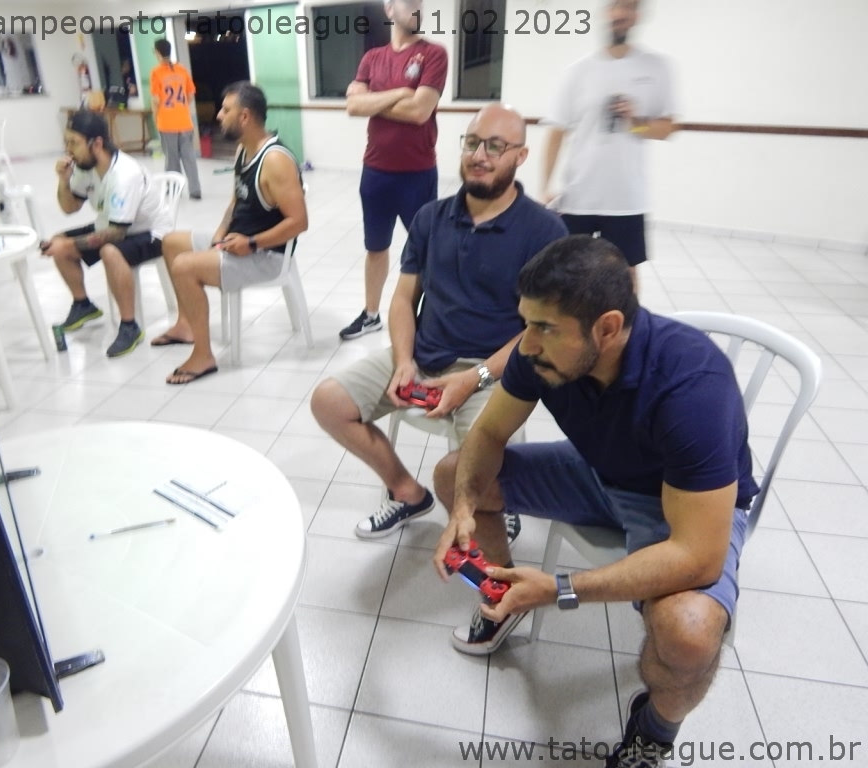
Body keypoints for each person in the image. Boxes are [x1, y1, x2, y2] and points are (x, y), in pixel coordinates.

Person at [431, 235, 755, 767]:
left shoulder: (692, 384)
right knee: (454, 476)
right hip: (597, 471)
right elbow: (487, 435)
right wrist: (464, 507)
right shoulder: (538, 353)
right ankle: (502, 592)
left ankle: (653, 731)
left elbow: (699, 555)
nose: (526, 345)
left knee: (690, 636)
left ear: (607, 328)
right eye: (526, 322)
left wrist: (560, 589)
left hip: (676, 503)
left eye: (545, 327)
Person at [311, 104, 567, 540]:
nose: (479, 156)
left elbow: (539, 331)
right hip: (424, 357)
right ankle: (407, 492)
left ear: (520, 156)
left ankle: (496, 507)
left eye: (495, 146)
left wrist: (473, 378)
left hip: (494, 373)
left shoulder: (545, 231)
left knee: (470, 466)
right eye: (472, 143)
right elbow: (403, 298)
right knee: (329, 403)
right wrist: (404, 360)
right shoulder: (431, 217)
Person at [155, 82, 307, 383]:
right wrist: (220, 232)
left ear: (245, 116)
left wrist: (251, 243)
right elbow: (237, 200)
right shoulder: (243, 150)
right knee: (172, 243)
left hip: (266, 255)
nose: (219, 116)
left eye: (226, 110)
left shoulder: (275, 161)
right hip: (236, 242)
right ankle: (185, 325)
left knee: (183, 266)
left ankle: (203, 355)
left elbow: (299, 222)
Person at [540, 0, 676, 288]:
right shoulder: (578, 71)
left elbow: (667, 128)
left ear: (637, 15)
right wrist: (545, 186)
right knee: (569, 273)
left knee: (625, 276)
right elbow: (557, 131)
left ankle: (628, 320)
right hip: (578, 196)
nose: (621, 13)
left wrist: (635, 122)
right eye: (616, 6)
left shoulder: (656, 67)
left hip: (626, 197)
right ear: (606, 12)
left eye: (628, 7)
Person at [339, 0, 447, 341]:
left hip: (418, 173)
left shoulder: (434, 54)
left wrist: (374, 99)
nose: (417, 7)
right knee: (376, 247)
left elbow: (419, 112)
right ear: (389, 9)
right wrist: (402, 92)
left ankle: (431, 318)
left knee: (427, 250)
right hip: (375, 172)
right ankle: (371, 315)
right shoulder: (372, 58)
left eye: (420, 3)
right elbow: (353, 107)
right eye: (409, 2)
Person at [42, 110, 172, 357]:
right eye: (66, 142)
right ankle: (83, 304)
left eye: (74, 142)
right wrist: (63, 180)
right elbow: (70, 208)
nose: (68, 150)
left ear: (97, 143)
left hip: (152, 232)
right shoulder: (85, 167)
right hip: (112, 225)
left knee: (109, 252)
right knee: (58, 241)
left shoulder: (124, 174)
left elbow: (117, 233)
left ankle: (130, 326)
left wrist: (71, 246)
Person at [151, 39, 202, 200]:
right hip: (185, 122)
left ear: (157, 53)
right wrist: (181, 107)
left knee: (172, 159)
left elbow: (156, 100)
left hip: (167, 124)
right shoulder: (182, 70)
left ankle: (174, 189)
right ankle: (195, 190)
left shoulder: (156, 73)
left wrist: (155, 117)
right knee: (189, 157)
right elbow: (190, 94)